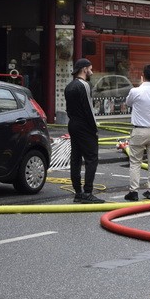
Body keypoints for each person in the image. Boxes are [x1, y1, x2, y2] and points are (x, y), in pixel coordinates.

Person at [64, 58, 104, 203]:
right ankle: (88, 193)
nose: (91, 71)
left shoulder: (68, 86)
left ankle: (78, 192)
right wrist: (95, 129)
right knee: (91, 158)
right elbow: (89, 109)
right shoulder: (84, 85)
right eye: (90, 68)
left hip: (73, 123)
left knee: (75, 158)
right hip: (85, 126)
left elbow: (68, 109)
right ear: (84, 69)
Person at [124, 64, 150, 201]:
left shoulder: (135, 91)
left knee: (135, 162)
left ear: (143, 76)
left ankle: (133, 191)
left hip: (139, 130)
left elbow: (128, 103)